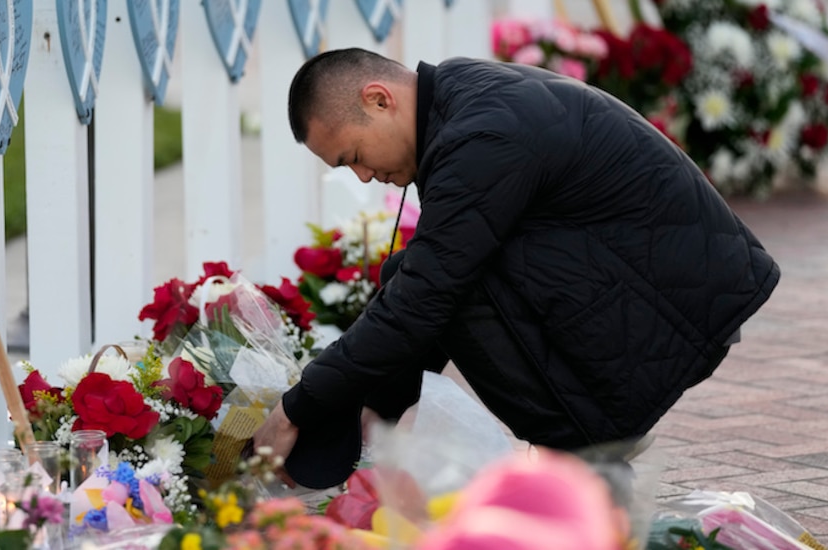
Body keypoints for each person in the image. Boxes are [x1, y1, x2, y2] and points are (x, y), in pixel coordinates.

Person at [252, 48, 780, 489]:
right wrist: (374, 408)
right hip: (659, 282)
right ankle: (577, 448)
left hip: (672, 303)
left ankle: (579, 456)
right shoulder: (458, 101)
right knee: (419, 274)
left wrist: (296, 409)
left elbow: (425, 299)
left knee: (450, 294)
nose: (365, 176)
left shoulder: (481, 136)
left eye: (353, 157)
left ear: (379, 99)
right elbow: (421, 283)